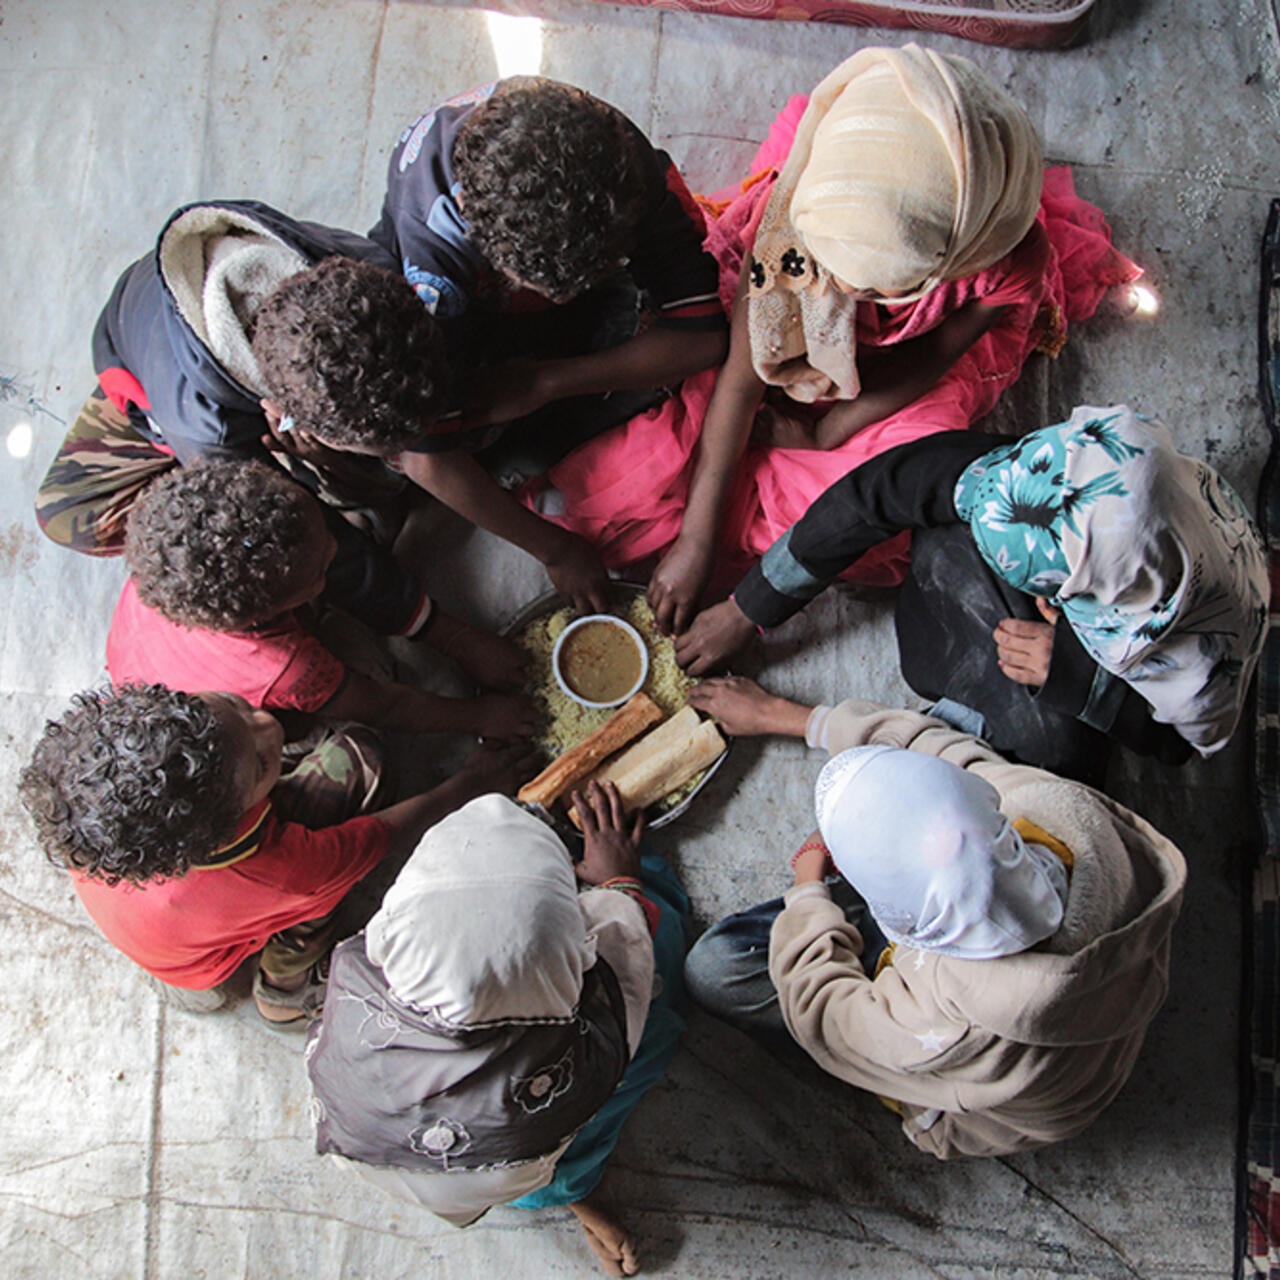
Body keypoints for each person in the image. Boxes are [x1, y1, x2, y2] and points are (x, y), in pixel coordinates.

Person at [515, 45, 1136, 630]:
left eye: (866, 285)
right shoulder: (802, 220)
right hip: (769, 326)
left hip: (900, 360)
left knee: (874, 494)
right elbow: (742, 374)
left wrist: (827, 430)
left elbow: (937, 354)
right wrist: (697, 540)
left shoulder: (1000, 263)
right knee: (672, 446)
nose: (836, 286)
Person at [683, 676, 1186, 1159]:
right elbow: (948, 753)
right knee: (953, 735)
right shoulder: (1059, 811)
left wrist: (809, 887)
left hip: (973, 1089)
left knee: (714, 971)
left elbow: (824, 1012)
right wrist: (787, 716)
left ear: (906, 921)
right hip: (1085, 991)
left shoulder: (938, 1030)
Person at [675, 406, 1269, 776]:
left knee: (1053, 752)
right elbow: (882, 488)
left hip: (1071, 673)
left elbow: (1173, 747)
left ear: (1102, 604)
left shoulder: (1196, 663)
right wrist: (748, 607)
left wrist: (1072, 666)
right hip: (1074, 583)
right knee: (941, 487)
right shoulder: (1079, 472)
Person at [352, 76, 728, 613]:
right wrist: (554, 548)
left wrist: (544, 382)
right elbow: (425, 457)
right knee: (426, 429)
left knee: (667, 361)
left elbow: (702, 338)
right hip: (466, 325)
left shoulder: (626, 172)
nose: (556, 298)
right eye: (540, 288)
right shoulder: (435, 257)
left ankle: (531, 419)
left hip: (541, 317)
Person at [306, 781, 688, 1277]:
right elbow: (627, 957)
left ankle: (553, 1194)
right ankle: (568, 1188)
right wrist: (615, 884)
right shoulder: (572, 1067)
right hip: (510, 1153)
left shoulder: (357, 964)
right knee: (656, 997)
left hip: (379, 1148)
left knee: (503, 1153)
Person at [18, 684, 535, 1025]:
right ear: (224, 829)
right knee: (360, 762)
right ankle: (284, 991)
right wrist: (469, 784)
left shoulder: (92, 803)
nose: (268, 722)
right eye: (265, 762)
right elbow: (379, 838)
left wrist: (248, 762)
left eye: (239, 707)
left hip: (156, 931)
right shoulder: (285, 873)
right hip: (205, 959)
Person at [34, 207, 442, 638]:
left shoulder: (363, 272)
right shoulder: (209, 429)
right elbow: (304, 540)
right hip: (152, 369)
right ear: (286, 416)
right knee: (64, 516)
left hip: (216, 378)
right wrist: (431, 625)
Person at [107, 457, 537, 738]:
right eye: (320, 572)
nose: (338, 551)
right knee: (352, 734)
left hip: (152, 661)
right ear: (269, 613)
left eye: (328, 534)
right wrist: (482, 718)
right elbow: (384, 706)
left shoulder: (169, 561)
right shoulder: (286, 667)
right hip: (215, 717)